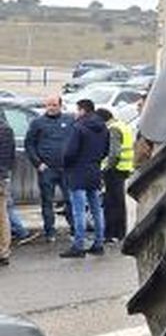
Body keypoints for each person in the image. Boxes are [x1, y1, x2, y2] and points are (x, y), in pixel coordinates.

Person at [60, 99, 109, 257]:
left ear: (82, 110)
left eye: (77, 109)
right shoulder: (103, 128)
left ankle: (78, 246)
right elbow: (105, 151)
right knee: (96, 209)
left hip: (77, 172)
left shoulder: (79, 127)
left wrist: (66, 165)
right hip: (94, 171)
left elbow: (69, 152)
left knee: (79, 211)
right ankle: (99, 243)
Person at [23, 94, 73, 242]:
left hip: (66, 168)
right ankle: (50, 232)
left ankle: (74, 230)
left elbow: (76, 141)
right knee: (47, 201)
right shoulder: (37, 122)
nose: (51, 108)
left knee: (70, 199)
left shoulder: (69, 120)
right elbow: (29, 144)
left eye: (54, 105)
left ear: (60, 106)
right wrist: (38, 163)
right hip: (47, 169)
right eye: (48, 105)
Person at [99, 107, 133, 243]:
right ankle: (120, 232)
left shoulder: (112, 129)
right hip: (123, 168)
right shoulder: (122, 125)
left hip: (114, 170)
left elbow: (114, 153)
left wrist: (106, 168)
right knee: (119, 202)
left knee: (111, 203)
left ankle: (112, 233)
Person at [0, 114, 12, 267]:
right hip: (2, 176)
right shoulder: (7, 129)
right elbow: (11, 156)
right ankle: (3, 252)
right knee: (2, 216)